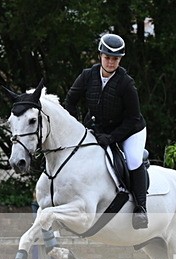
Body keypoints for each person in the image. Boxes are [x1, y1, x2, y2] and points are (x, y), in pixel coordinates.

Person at [64, 33, 149, 229]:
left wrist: (112, 138)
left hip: (130, 130)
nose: (111, 62)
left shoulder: (126, 83)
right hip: (98, 128)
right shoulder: (87, 75)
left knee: (134, 159)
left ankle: (141, 209)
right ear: (100, 56)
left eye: (115, 59)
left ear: (120, 60)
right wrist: (76, 127)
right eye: (107, 57)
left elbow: (133, 118)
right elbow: (71, 100)